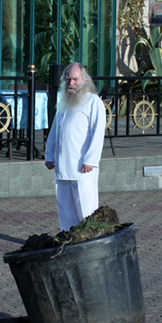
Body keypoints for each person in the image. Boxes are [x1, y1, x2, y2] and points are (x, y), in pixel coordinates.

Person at [45, 62, 106, 231]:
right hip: (63, 167)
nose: (71, 83)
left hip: (83, 169)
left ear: (84, 80)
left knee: (86, 211)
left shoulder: (94, 102)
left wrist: (90, 160)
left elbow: (98, 133)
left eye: (75, 79)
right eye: (68, 79)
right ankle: (69, 239)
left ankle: (89, 243)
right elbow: (55, 132)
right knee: (65, 210)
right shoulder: (64, 103)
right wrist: (49, 155)